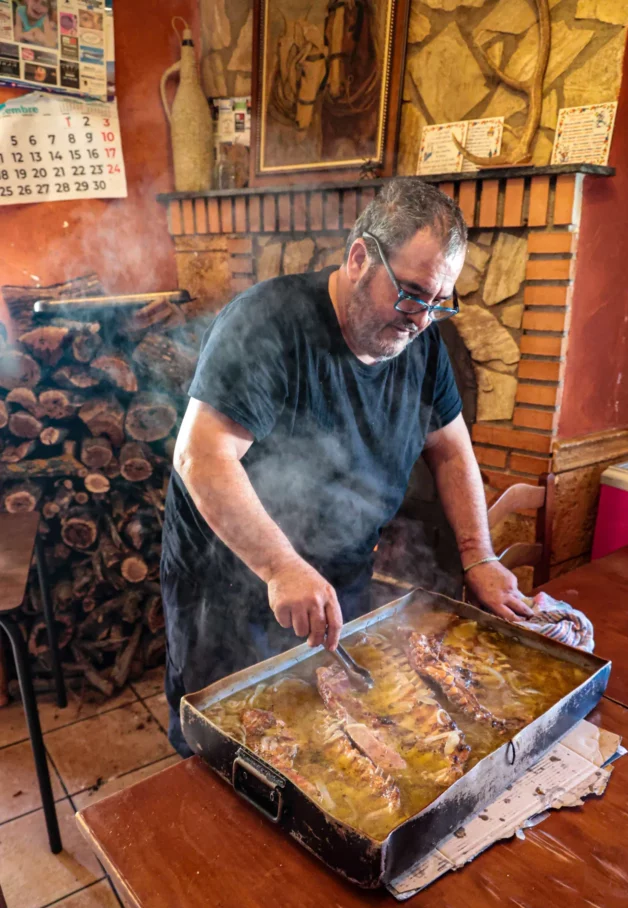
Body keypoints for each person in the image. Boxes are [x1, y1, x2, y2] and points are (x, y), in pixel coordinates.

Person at [161, 179, 531, 756]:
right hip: (235, 583)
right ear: (360, 257)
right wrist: (281, 565)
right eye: (411, 294)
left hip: (338, 581)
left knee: (329, 737)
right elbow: (201, 452)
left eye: (439, 302)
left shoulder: (424, 342)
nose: (421, 319)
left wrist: (477, 554)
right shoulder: (268, 322)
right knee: (227, 755)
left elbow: (452, 448)